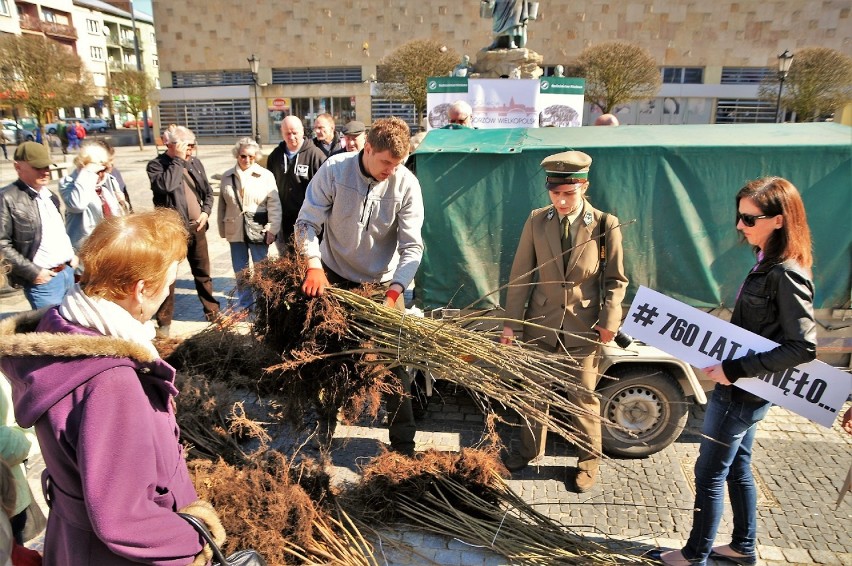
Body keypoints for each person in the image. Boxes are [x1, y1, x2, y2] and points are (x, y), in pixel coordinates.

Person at [0, 210, 225, 566]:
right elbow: (124, 518)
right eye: (168, 284)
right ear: (139, 289)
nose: (169, 292)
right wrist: (195, 542)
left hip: (75, 541)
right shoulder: (111, 382)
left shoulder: (57, 327)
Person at [653, 177, 817, 566]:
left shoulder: (785, 273)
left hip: (741, 391)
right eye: (738, 216)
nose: (739, 226)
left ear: (779, 220)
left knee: (709, 471)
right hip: (749, 388)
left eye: (748, 219)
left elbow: (803, 347)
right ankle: (744, 546)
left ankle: (695, 555)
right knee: (738, 466)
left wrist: (732, 368)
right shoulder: (767, 262)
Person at [499, 150, 627, 492]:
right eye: (555, 193)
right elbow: (521, 273)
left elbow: (615, 279)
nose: (561, 200)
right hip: (540, 321)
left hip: (583, 326)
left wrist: (609, 319)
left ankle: (588, 460)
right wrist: (511, 323)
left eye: (568, 193)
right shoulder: (537, 220)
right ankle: (528, 451)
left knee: (582, 396)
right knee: (534, 392)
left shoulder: (604, 224)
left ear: (583, 186)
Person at [296, 116, 424, 456]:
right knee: (327, 354)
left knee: (395, 360)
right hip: (333, 276)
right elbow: (306, 222)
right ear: (367, 148)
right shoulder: (335, 171)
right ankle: (322, 427)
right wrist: (312, 266)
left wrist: (396, 290)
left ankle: (403, 442)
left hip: (383, 284)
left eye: (398, 164)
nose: (391, 170)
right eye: (386, 162)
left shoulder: (406, 185)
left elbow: (412, 247)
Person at [147, 125, 220, 337]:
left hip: (196, 227)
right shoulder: (156, 165)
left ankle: (212, 312)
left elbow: (207, 193)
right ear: (171, 145)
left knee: (203, 273)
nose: (191, 151)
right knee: (167, 277)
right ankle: (164, 323)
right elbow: (166, 186)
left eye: (192, 146)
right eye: (187, 146)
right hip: (170, 232)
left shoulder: (195, 163)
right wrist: (178, 160)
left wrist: (205, 213)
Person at [0, 142, 77, 309]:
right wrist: (33, 273)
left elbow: (55, 232)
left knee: (72, 329)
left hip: (67, 273)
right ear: (18, 167)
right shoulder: (6, 198)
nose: (45, 171)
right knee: (52, 332)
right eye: (38, 167)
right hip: (44, 282)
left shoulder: (49, 195)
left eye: (47, 166)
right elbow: (2, 245)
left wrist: (71, 256)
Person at [217, 137, 282, 312]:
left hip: (258, 228)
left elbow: (274, 205)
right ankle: (245, 304)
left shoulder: (265, 175)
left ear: (256, 157)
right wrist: (223, 230)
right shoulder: (227, 176)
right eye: (243, 156)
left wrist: (273, 228)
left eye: (251, 157)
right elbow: (222, 205)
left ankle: (262, 303)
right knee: (241, 271)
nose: (247, 160)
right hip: (235, 229)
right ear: (237, 155)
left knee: (262, 269)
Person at [265, 116, 326, 250]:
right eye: (287, 133)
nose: (291, 136)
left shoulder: (316, 156)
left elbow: (325, 190)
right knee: (287, 260)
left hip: (308, 221)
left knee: (307, 259)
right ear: (282, 133)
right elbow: (267, 186)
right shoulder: (275, 156)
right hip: (283, 222)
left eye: (294, 132)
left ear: (302, 131)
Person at [59, 141, 129, 252]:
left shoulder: (108, 180)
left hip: (111, 246)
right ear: (83, 166)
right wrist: (88, 173)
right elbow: (77, 205)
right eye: (98, 171)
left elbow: (117, 214)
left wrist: (122, 203)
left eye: (104, 169)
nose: (102, 174)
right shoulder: (69, 183)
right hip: (86, 249)